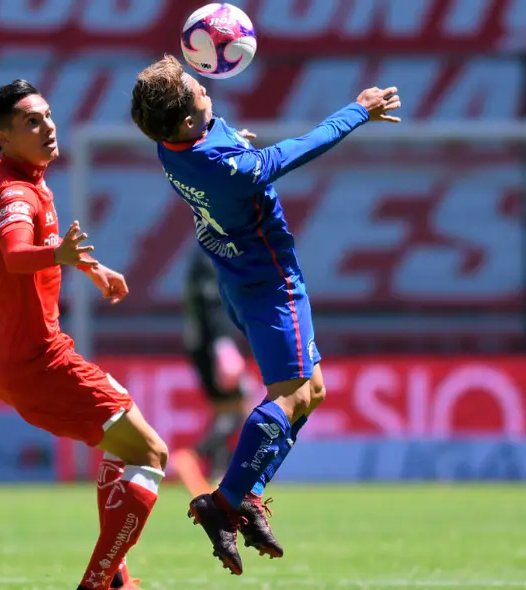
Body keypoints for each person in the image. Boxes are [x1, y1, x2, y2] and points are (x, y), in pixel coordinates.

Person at [129, 55, 401, 575]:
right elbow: (293, 153)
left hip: (236, 278)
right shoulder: (227, 166)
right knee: (294, 395)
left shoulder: (172, 146)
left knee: (312, 391)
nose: (204, 84)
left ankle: (248, 493)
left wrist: (232, 142)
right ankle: (224, 502)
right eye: (195, 87)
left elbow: (217, 147)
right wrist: (356, 112)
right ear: (188, 121)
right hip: (271, 285)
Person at [0, 80, 169, 590]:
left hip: (10, 358)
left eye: (47, 116)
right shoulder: (14, 192)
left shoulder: (15, 179)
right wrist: (61, 256)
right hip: (39, 362)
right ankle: (99, 581)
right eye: (31, 123)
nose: (48, 127)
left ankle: (117, 578)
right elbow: (17, 255)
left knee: (125, 450)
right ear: (3, 138)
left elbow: (29, 249)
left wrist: (89, 265)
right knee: (152, 453)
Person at [172, 246, 252, 497]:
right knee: (239, 408)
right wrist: (222, 344)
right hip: (213, 345)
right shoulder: (211, 256)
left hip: (199, 345)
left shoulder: (198, 258)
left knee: (222, 410)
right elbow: (212, 304)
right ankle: (194, 455)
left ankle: (218, 475)